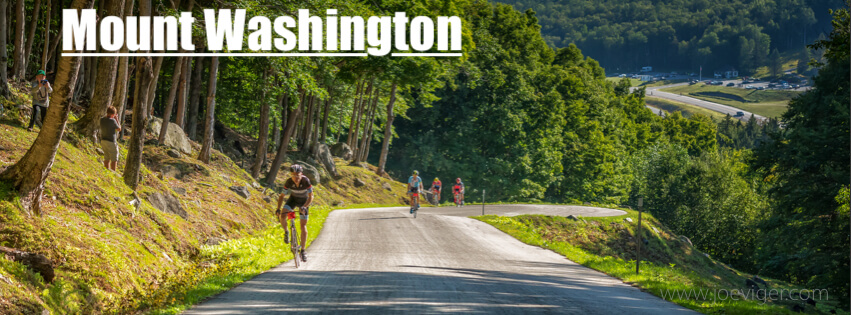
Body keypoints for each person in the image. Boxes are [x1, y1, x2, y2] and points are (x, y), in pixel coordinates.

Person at [276, 164, 313, 262]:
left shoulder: (306, 181)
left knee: (303, 225)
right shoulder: (288, 182)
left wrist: (304, 207)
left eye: (297, 175)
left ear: (302, 174)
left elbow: (311, 196)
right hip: (293, 200)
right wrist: (278, 209)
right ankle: (287, 232)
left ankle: (303, 250)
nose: (295, 178)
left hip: (304, 202)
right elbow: (282, 196)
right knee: (283, 215)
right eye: (293, 175)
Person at [99, 106, 122, 171]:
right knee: (114, 159)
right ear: (113, 114)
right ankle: (113, 173)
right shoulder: (113, 121)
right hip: (111, 142)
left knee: (106, 158)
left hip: (103, 140)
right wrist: (116, 118)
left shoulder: (102, 119)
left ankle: (106, 171)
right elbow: (119, 129)